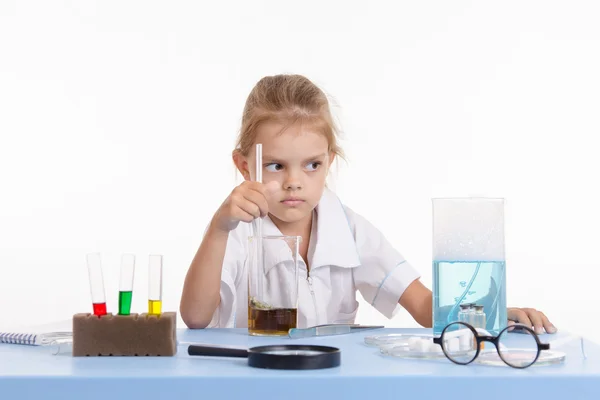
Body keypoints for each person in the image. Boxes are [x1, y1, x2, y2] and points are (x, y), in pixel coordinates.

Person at [179, 74, 557, 335]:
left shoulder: (348, 229)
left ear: (330, 159)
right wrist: (218, 229)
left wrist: (490, 316)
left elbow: (424, 308)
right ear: (245, 166)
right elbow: (195, 318)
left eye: (313, 165)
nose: (295, 181)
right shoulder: (236, 230)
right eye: (276, 165)